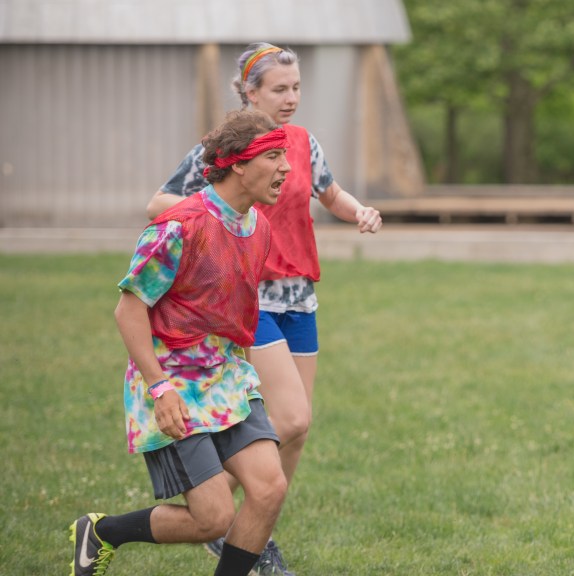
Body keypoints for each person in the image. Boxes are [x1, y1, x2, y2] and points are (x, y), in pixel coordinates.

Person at [146, 42, 383, 574]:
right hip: (252, 297)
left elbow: (330, 192)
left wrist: (359, 211)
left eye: (296, 87)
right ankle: (224, 517)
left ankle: (253, 535)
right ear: (249, 92)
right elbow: (158, 202)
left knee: (297, 427)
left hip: (301, 296)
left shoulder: (303, 142)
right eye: (280, 89)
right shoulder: (227, 149)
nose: (291, 98)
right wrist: (211, 213)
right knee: (290, 415)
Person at [70, 109, 292, 576]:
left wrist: (247, 378)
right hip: (172, 379)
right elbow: (129, 310)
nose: (286, 168)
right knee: (212, 518)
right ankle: (102, 532)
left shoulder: (260, 228)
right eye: (274, 156)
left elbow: (237, 315)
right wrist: (159, 388)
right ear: (238, 164)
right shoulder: (181, 225)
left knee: (269, 487)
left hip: (227, 375)